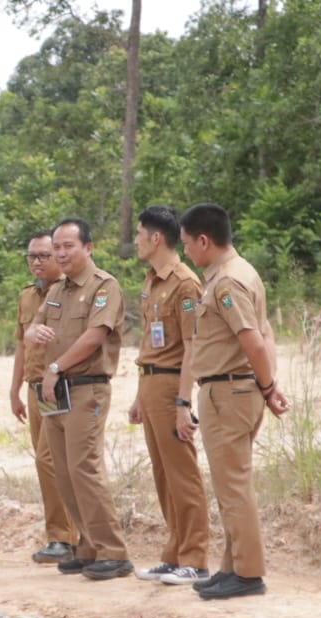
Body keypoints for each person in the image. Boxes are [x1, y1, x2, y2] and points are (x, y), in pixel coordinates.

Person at [178, 204, 289, 600]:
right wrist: (266, 387)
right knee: (229, 484)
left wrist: (268, 386)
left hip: (228, 391)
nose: (187, 252)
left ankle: (247, 574)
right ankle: (232, 567)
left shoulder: (227, 283)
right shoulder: (241, 272)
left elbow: (254, 341)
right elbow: (266, 332)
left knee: (233, 487)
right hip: (233, 389)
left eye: (188, 244)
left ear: (204, 241)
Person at [24, 218, 134, 581]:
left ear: (88, 248)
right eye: (57, 247)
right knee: (63, 469)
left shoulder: (104, 287)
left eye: (68, 246)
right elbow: (32, 327)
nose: (61, 253)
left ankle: (113, 551)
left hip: (86, 387)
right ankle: (86, 547)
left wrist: (55, 366)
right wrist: (32, 332)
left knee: (85, 467)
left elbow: (95, 336)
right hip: (55, 392)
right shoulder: (56, 289)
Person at [128, 206, 211, 585]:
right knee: (163, 474)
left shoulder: (185, 283)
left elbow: (192, 347)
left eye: (139, 234)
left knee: (182, 473)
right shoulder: (151, 280)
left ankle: (195, 557)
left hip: (171, 384)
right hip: (150, 382)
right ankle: (174, 552)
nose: (136, 241)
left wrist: (183, 404)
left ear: (156, 238)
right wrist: (138, 396)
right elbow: (150, 339)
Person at [9, 230, 78, 564]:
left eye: (44, 256)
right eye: (31, 256)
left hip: (57, 386)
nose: (36, 262)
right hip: (34, 387)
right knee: (44, 461)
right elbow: (22, 344)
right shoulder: (26, 297)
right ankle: (60, 534)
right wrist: (14, 388)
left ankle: (65, 536)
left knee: (51, 461)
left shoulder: (68, 292)